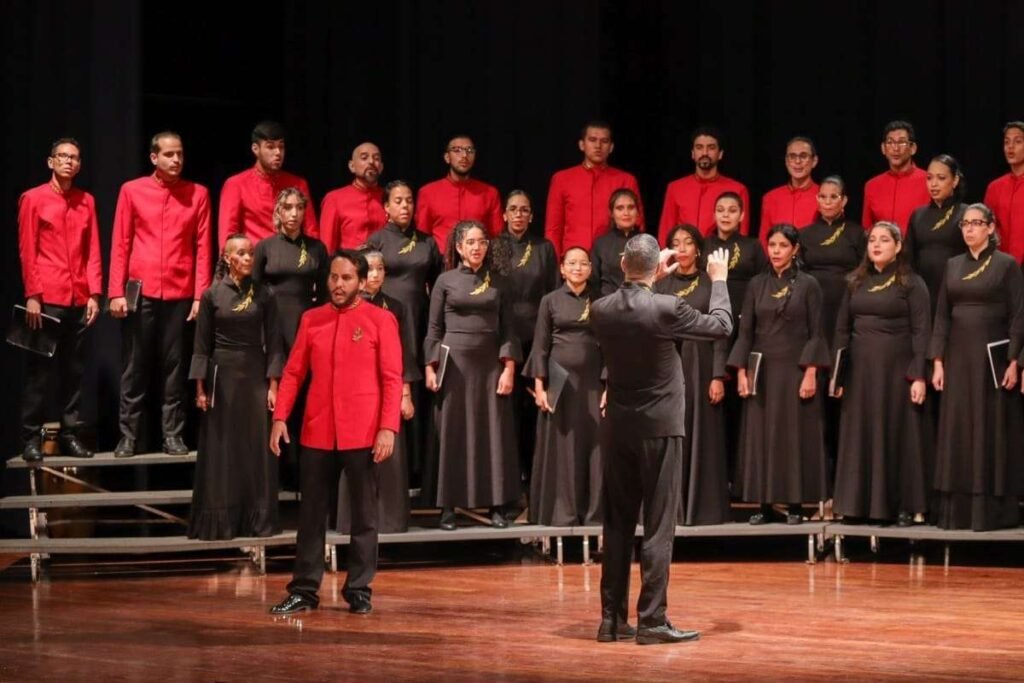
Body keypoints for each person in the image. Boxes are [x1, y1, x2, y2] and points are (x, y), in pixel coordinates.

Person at [590, 234, 732, 645]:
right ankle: (652, 620)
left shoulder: (600, 309)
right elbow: (721, 326)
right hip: (661, 427)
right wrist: (718, 280)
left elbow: (632, 299)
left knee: (616, 524)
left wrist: (650, 275)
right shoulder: (669, 307)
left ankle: (611, 621)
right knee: (657, 525)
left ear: (621, 265)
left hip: (619, 427)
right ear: (656, 268)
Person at [269, 250, 402, 616]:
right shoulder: (313, 319)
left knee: (363, 518)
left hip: (363, 434)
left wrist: (387, 428)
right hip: (317, 433)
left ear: (361, 281)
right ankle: (304, 590)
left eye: (345, 278)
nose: (337, 284)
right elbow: (294, 373)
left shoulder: (380, 320)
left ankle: (359, 589)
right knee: (311, 516)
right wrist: (281, 418)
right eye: (333, 277)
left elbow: (392, 379)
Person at [108, 131, 212, 457]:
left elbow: (203, 247)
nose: (176, 160)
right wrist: (115, 292)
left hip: (180, 291)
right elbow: (121, 242)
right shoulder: (132, 191)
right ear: (154, 157)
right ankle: (128, 436)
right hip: (140, 290)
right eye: (168, 154)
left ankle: (173, 435)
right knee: (134, 367)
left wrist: (200, 296)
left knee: (174, 368)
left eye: (179, 154)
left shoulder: (198, 193)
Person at [929, 203, 1024, 530]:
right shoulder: (952, 265)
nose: (969, 229)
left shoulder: (1006, 265)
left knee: (991, 427)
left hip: (992, 361)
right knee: (959, 428)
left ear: (990, 227)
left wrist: (1015, 360)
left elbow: (1019, 315)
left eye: (976, 223)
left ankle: (993, 512)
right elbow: (941, 315)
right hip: (958, 360)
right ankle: (957, 512)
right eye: (965, 224)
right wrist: (938, 361)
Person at [728, 224, 830, 525]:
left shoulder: (809, 284)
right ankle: (764, 504)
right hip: (763, 369)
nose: (775, 251)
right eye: (771, 244)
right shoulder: (756, 284)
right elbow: (745, 333)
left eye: (782, 245)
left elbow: (816, 332)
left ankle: (796, 504)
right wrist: (742, 372)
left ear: (795, 249)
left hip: (795, 368)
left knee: (792, 437)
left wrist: (811, 373)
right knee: (762, 437)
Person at [423, 221, 521, 530]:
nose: (477, 247)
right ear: (459, 247)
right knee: (453, 434)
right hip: (453, 367)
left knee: (491, 434)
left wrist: (509, 368)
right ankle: (448, 507)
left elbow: (509, 329)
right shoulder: (445, 281)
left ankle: (495, 505)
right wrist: (430, 366)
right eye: (471, 242)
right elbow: (434, 329)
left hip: (490, 365)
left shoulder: (500, 282)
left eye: (482, 241)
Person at [832, 222, 931, 525]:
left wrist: (918, 376)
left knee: (896, 433)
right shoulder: (855, 282)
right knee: (859, 434)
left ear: (898, 246)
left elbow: (922, 331)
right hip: (860, 373)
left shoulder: (912, 283)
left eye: (884, 240)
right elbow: (841, 330)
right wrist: (839, 376)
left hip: (896, 371)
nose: (876, 245)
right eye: (872, 240)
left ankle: (899, 505)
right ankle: (857, 504)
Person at [188, 234, 283, 539]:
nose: (248, 258)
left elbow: (276, 345)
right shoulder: (211, 295)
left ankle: (257, 520)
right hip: (222, 377)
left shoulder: (265, 294)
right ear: (227, 257)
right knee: (223, 448)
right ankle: (221, 520)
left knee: (255, 447)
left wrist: (273, 385)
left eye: (250, 253)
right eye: (241, 254)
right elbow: (201, 347)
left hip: (255, 374)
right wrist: (200, 389)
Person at [17, 137, 103, 461]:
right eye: (63, 156)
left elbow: (93, 249)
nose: (69, 161)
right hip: (47, 297)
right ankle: (30, 438)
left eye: (75, 158)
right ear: (50, 162)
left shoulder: (87, 201)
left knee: (74, 372)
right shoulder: (33, 199)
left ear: (79, 165)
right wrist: (33, 295)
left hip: (78, 298)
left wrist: (95, 293)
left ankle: (69, 434)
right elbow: (28, 251)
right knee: (38, 373)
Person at [365, 180, 445, 480]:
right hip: (385, 318)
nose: (405, 206)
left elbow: (439, 285)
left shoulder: (427, 242)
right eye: (398, 201)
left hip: (420, 320)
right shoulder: (376, 241)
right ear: (386, 207)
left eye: (409, 200)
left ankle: (419, 469)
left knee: (420, 386)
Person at [337, 250, 419, 534]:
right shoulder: (343, 306)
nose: (375, 274)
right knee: (356, 455)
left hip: (388, 387)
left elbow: (406, 353)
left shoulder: (395, 307)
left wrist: (405, 394)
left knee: (390, 453)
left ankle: (391, 520)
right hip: (354, 391)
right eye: (370, 269)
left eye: (380, 269)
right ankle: (353, 521)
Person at [252, 188, 329, 490]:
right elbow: (254, 295)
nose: (294, 213)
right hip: (272, 330)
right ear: (278, 212)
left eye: (299, 207)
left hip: (307, 329)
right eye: (288, 207)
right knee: (274, 401)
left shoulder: (317, 249)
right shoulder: (265, 248)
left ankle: (304, 474)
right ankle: (275, 475)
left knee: (307, 402)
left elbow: (324, 296)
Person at [654, 225, 730, 525]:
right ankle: (670, 509)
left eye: (688, 242)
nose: (682, 248)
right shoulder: (661, 284)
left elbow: (721, 332)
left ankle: (702, 509)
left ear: (698, 249)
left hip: (702, 365)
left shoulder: (711, 282)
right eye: (675, 243)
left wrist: (717, 375)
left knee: (702, 435)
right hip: (669, 368)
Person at [523, 246, 603, 526]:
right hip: (559, 383)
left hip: (594, 383)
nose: (578, 268)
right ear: (562, 268)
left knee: (595, 447)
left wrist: (610, 385)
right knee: (562, 447)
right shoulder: (550, 300)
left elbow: (610, 345)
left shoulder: (601, 300)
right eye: (572, 263)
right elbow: (540, 346)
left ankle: (594, 514)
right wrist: (540, 386)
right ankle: (560, 513)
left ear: (590, 269)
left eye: (583, 263)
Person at [501, 190, 559, 489]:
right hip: (504, 336)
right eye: (513, 209)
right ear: (504, 214)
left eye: (525, 210)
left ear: (532, 216)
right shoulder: (496, 246)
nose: (519, 215)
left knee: (536, 405)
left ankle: (537, 471)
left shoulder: (544, 247)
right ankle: (510, 473)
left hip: (538, 333)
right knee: (507, 409)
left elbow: (553, 291)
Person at [545, 121, 644, 256]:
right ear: (582, 145)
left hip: (615, 260)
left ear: (611, 147)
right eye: (592, 140)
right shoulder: (562, 179)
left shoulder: (626, 180)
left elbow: (638, 225)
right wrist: (554, 264)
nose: (598, 146)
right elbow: (553, 228)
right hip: (574, 260)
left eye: (604, 141)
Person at [218, 120, 318, 248]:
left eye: (281, 147)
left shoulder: (298, 184)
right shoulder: (236, 184)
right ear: (255, 149)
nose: (278, 153)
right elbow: (228, 237)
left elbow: (311, 230)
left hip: (292, 262)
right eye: (270, 147)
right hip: (253, 263)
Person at [799, 176, 867, 347]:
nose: (827, 202)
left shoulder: (857, 233)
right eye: (823, 197)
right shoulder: (804, 234)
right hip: (813, 300)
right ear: (817, 199)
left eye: (833, 197)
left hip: (845, 299)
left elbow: (864, 269)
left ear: (844, 201)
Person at [659, 126, 751, 241]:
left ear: (720, 154)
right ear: (693, 153)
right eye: (699, 147)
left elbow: (743, 237)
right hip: (683, 255)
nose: (705, 153)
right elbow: (666, 232)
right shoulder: (675, 188)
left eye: (711, 148)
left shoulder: (738, 189)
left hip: (722, 256)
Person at [415, 135, 503, 250]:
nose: (464, 155)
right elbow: (422, 236)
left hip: (479, 262)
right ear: (447, 157)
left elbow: (496, 235)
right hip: (440, 263)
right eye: (457, 150)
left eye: (469, 150)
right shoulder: (428, 192)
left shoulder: (489, 193)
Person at [905, 154, 967, 313]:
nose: (934, 184)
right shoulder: (918, 215)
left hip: (956, 291)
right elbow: (908, 257)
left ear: (955, 181)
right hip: (923, 292)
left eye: (941, 178)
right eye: (929, 178)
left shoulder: (966, 214)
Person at [861, 120, 929, 235]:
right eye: (890, 142)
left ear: (913, 148)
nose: (895, 148)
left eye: (901, 142)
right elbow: (867, 229)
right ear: (883, 148)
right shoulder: (872, 185)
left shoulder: (929, 181)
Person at [319, 141, 386, 252]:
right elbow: (327, 247)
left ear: (381, 167)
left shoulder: (389, 197)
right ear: (352, 166)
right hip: (349, 266)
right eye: (364, 158)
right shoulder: (334, 198)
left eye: (376, 158)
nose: (371, 162)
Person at [759, 137, 820, 249]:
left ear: (814, 161)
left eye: (803, 156)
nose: (797, 161)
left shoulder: (823, 196)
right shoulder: (771, 198)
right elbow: (764, 240)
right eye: (792, 156)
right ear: (786, 162)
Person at [982, 121, 1024, 264]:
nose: (1010, 147)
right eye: (1007, 142)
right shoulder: (995, 187)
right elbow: (987, 227)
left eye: (1018, 141)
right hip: (1001, 265)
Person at [591, 189, 642, 297]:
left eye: (631, 207)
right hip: (609, 306)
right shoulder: (601, 244)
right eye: (620, 208)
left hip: (642, 306)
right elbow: (593, 283)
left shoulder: (648, 241)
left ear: (637, 212)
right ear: (612, 213)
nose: (626, 213)